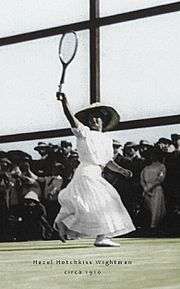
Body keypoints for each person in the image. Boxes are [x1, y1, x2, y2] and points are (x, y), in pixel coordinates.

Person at [53, 94, 135, 246]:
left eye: (96, 117)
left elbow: (108, 161)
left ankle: (64, 222)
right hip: (86, 173)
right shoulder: (84, 133)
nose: (93, 120)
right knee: (104, 202)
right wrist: (65, 104)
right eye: (90, 118)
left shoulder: (107, 139)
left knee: (89, 204)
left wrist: (121, 170)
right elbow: (71, 119)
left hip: (95, 174)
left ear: (103, 120)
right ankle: (101, 237)